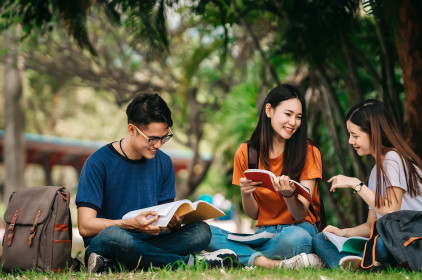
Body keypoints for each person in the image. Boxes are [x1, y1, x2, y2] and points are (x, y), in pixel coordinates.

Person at [76, 92, 236, 273]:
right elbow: (84, 226)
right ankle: (191, 263)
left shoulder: (164, 162)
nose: (158, 145)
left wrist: (172, 223)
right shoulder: (98, 163)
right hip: (112, 242)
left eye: (164, 137)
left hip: (151, 242)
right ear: (131, 130)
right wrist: (129, 224)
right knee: (114, 236)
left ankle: (118, 264)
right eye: (152, 139)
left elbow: (163, 216)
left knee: (202, 231)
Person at [312, 99, 422, 269]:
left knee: (382, 245)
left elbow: (391, 210)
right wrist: (341, 233)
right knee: (320, 239)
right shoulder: (378, 170)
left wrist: (356, 184)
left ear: (374, 133)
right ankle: (361, 265)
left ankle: (358, 264)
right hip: (400, 242)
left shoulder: (393, 159)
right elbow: (371, 225)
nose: (349, 141)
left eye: (355, 135)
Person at [207, 84, 325, 269]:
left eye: (298, 117)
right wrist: (246, 193)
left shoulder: (309, 152)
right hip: (263, 234)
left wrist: (288, 195)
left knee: (298, 239)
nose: (293, 122)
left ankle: (239, 256)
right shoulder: (246, 153)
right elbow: (253, 214)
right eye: (288, 114)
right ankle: (270, 264)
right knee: (205, 232)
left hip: (297, 230)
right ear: (269, 110)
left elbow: (300, 212)